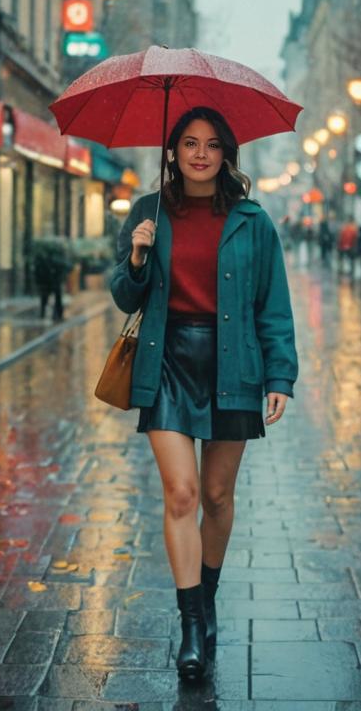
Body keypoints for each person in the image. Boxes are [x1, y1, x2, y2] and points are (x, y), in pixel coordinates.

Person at [110, 106, 298, 683]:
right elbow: (123, 294)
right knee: (183, 492)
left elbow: (273, 304)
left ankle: (207, 598)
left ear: (226, 155)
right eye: (188, 143)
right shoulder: (149, 212)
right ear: (172, 152)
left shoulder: (252, 221)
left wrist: (279, 376)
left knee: (217, 495)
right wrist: (139, 257)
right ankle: (192, 626)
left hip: (233, 362)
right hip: (167, 360)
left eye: (211, 145)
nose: (199, 154)